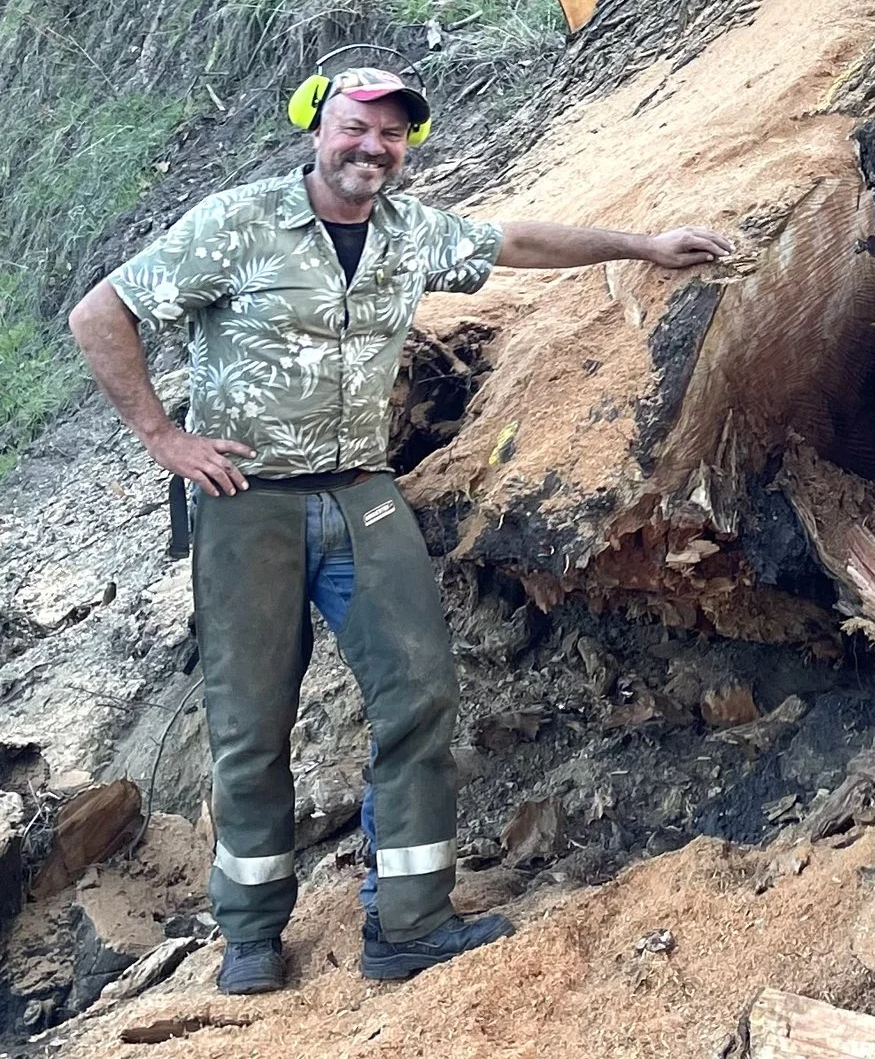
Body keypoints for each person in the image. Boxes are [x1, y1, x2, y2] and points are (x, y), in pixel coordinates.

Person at [66, 66, 734, 995]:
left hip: (364, 496)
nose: (371, 147)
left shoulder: (412, 233)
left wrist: (644, 244)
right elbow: (101, 312)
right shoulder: (237, 222)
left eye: (391, 135)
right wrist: (162, 435)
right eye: (355, 127)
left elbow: (519, 241)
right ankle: (250, 935)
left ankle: (410, 921)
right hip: (246, 501)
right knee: (249, 720)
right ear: (318, 128)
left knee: (419, 691)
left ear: (406, 146)